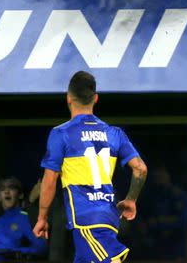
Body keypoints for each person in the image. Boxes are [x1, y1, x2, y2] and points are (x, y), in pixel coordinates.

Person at [33, 71, 148, 263]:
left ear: (69, 98)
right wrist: (131, 200)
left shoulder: (61, 133)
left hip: (86, 218)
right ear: (95, 99)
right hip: (108, 217)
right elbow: (140, 169)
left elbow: (50, 180)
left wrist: (42, 218)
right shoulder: (114, 133)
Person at [0, 177, 47, 262]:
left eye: (11, 188)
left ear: (20, 195)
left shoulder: (25, 218)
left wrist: (16, 253)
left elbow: (42, 248)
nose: (7, 192)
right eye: (2, 189)